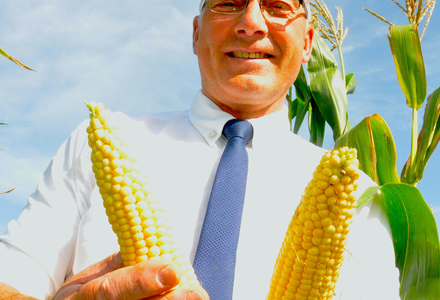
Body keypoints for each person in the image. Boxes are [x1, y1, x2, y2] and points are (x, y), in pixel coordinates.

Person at [0, 0, 400, 299]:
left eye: (277, 7)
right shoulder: (97, 144)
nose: (252, 23)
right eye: (229, 3)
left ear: (308, 42)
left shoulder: (359, 199)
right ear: (196, 34)